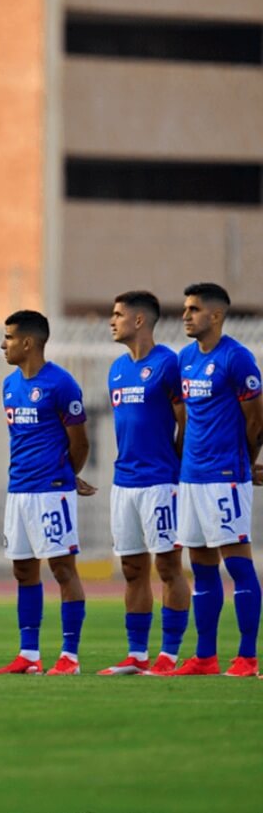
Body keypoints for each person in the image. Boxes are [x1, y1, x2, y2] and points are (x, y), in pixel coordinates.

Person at [0, 310, 95, 676]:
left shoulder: (61, 384)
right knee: (23, 570)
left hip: (51, 492)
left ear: (28, 342)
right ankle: (29, 655)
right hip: (18, 489)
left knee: (63, 569)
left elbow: (80, 442)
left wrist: (65, 475)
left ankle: (69, 657)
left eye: (8, 337)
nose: (3, 344)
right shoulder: (8, 385)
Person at [170, 282, 262, 677]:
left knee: (238, 565)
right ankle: (205, 657)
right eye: (185, 309)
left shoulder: (237, 358)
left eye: (193, 309)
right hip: (192, 477)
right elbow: (186, 418)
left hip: (226, 476)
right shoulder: (185, 359)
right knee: (202, 567)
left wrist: (244, 461)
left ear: (216, 316)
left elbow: (257, 419)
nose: (186, 316)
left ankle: (246, 657)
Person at [98, 291, 189, 676]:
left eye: (117, 315)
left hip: (159, 483)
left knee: (168, 567)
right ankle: (137, 655)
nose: (111, 321)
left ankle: (168, 655)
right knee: (133, 570)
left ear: (139, 321)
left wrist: (176, 467)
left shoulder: (168, 364)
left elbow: (184, 422)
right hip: (124, 483)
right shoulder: (117, 368)